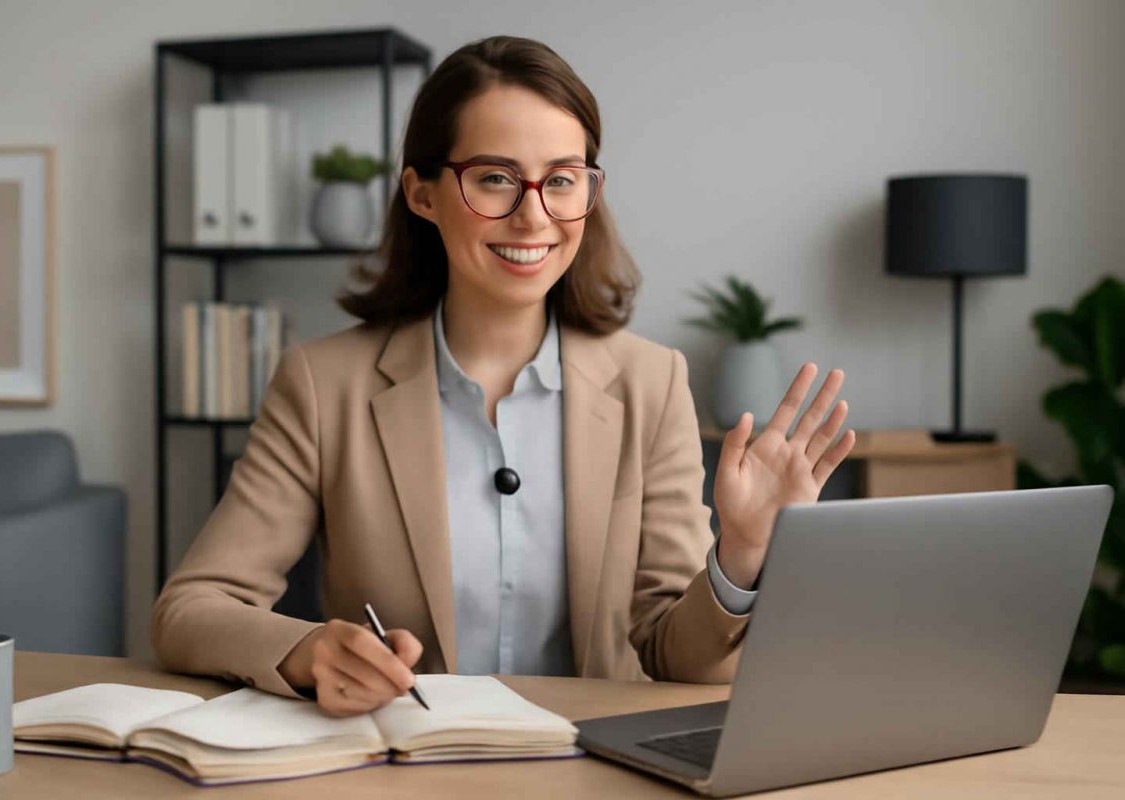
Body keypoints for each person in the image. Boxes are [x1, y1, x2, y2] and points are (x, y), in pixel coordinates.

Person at [151, 35, 855, 719]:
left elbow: (677, 656)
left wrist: (742, 552)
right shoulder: (323, 382)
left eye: (561, 180)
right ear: (423, 194)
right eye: (494, 178)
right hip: (407, 769)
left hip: (591, 768)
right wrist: (309, 651)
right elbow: (191, 608)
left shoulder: (651, 381)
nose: (533, 215)